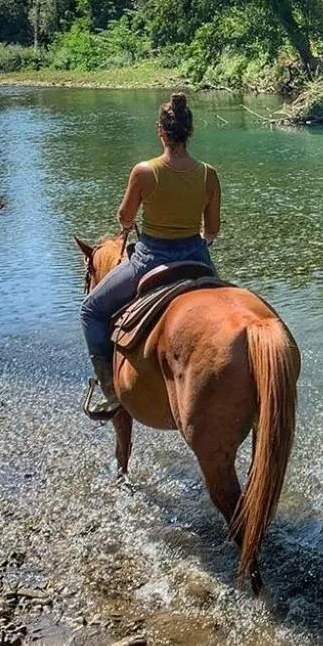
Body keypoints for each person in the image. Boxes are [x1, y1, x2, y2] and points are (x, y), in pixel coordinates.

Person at [81, 92, 220, 418]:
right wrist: (199, 237)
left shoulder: (144, 172)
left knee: (91, 310)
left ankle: (111, 391)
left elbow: (125, 218)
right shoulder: (208, 174)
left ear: (160, 131)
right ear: (190, 132)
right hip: (198, 259)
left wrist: (128, 219)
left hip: (150, 259)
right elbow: (212, 229)